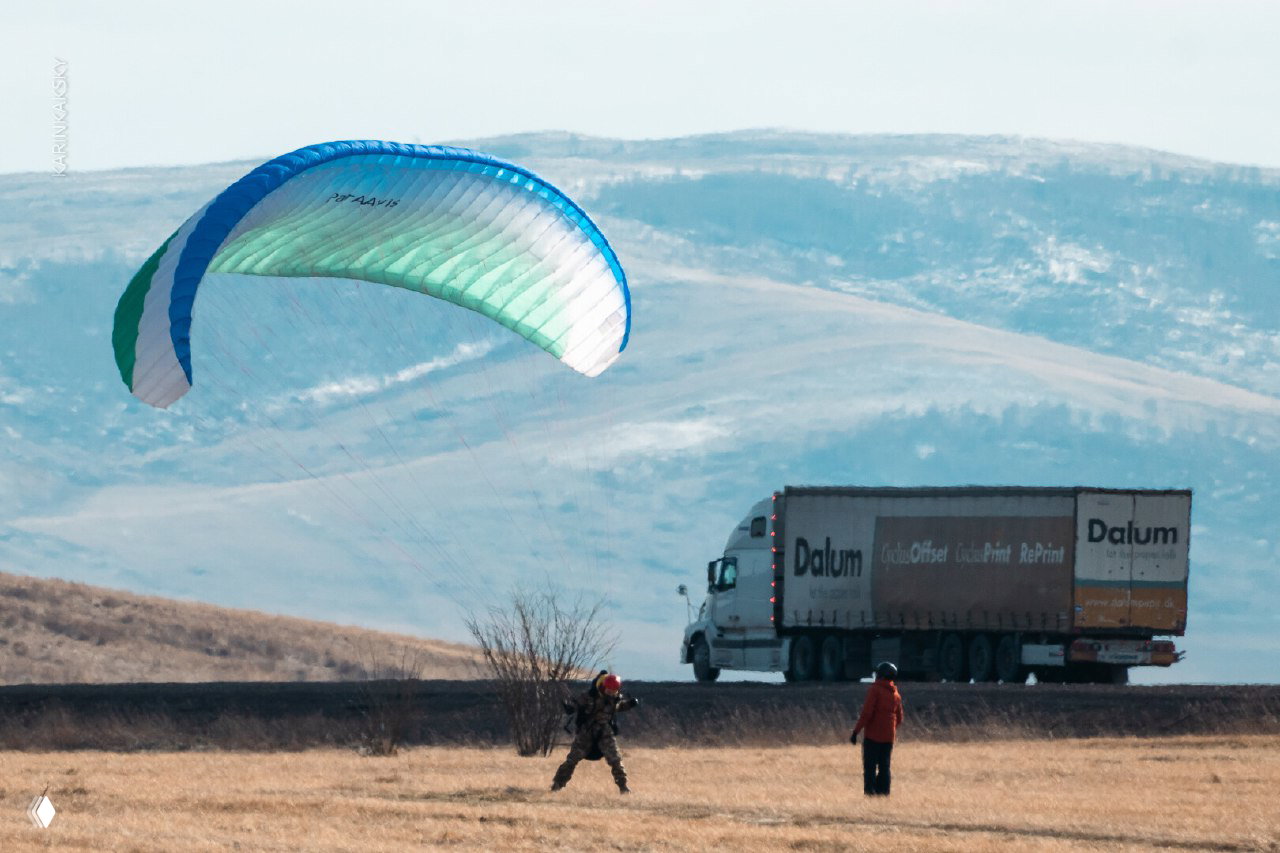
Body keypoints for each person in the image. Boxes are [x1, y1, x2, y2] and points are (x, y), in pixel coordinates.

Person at [551, 670, 640, 794]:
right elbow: (576, 705)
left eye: (614, 691)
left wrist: (630, 704)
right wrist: (570, 708)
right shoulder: (588, 696)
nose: (611, 693)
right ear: (603, 687)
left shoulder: (614, 698)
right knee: (572, 759)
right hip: (586, 732)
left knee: (615, 759)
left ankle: (623, 787)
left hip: (605, 732)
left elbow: (617, 707)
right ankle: (557, 785)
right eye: (609, 691)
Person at [850, 661, 904, 796]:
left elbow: (867, 713)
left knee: (870, 767)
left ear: (880, 675)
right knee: (885, 766)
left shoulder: (875, 690)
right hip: (888, 737)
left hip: (873, 736)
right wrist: (890, 729)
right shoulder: (896, 694)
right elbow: (900, 718)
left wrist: (856, 731)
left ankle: (870, 793)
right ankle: (884, 793)